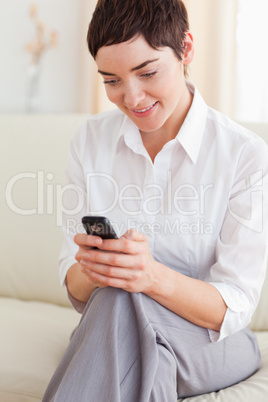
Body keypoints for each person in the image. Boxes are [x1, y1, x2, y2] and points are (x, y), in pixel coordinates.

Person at [43, 0, 268, 400]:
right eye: (111, 80)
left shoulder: (244, 155)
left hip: (214, 343)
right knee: (122, 311)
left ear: (186, 49)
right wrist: (97, 268)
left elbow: (233, 306)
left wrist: (149, 276)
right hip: (115, 327)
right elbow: (76, 289)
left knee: (119, 299)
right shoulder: (90, 142)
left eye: (147, 72)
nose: (131, 97)